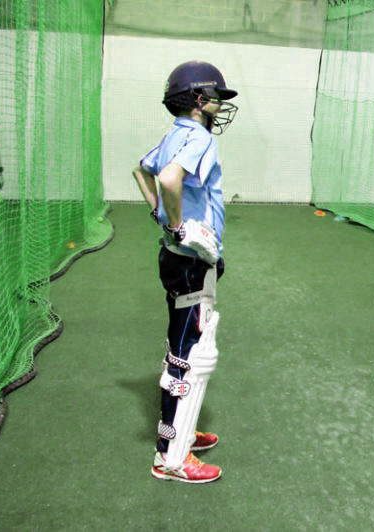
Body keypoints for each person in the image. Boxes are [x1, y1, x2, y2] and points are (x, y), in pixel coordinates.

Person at [132, 60, 238, 483]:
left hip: (179, 259)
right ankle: (171, 458)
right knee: (192, 355)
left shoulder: (174, 134)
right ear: (198, 101)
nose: (217, 105)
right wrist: (176, 224)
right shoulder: (197, 138)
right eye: (214, 97)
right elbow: (171, 178)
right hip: (192, 261)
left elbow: (144, 169)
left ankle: (182, 435)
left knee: (185, 344)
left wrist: (160, 214)